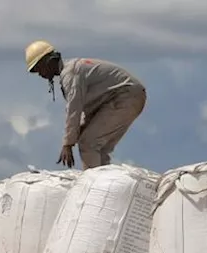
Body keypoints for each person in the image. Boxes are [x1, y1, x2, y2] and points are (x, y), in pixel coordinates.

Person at [25, 40, 147, 170]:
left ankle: (94, 183)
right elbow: (93, 108)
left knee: (89, 142)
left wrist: (68, 144)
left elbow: (74, 109)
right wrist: (80, 129)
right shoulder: (72, 71)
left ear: (48, 62)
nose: (40, 74)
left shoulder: (70, 74)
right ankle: (102, 182)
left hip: (126, 96)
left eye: (39, 69)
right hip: (127, 96)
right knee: (99, 147)